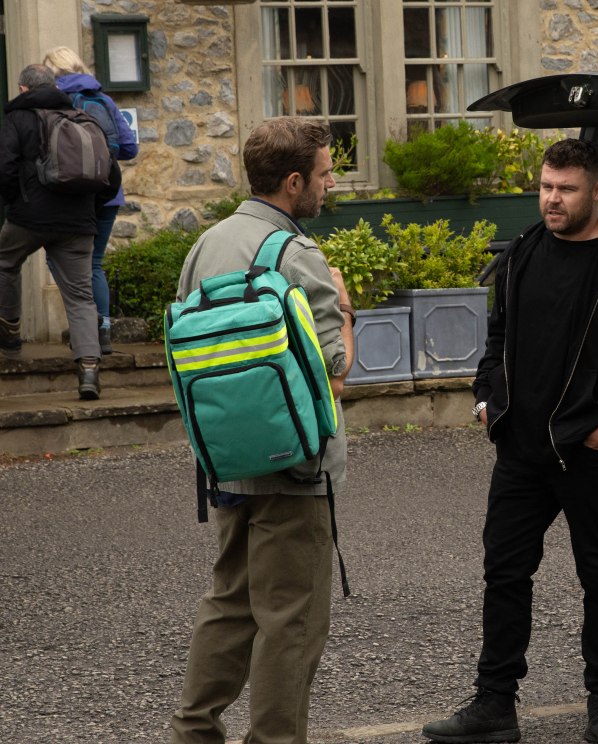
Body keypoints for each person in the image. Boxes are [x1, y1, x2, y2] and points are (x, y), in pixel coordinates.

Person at [422, 139, 598, 744]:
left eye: (566, 188)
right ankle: (495, 706)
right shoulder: (522, 253)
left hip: (588, 454)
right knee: (505, 574)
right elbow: (499, 337)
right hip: (521, 450)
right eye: (545, 186)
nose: (552, 199)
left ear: (596, 190)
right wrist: (489, 400)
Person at [169, 117, 355, 744]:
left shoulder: (206, 246)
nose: (330, 186)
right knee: (290, 622)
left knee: (229, 604)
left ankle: (192, 731)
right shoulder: (296, 254)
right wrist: (346, 312)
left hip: (226, 460)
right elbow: (333, 372)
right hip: (294, 467)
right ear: (294, 181)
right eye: (326, 175)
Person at [0, 64, 103, 399]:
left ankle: (10, 330)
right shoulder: (81, 117)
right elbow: (110, 176)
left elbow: (5, 166)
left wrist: (18, 201)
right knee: (80, 296)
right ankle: (88, 370)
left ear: (24, 89)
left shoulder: (18, 118)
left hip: (29, 218)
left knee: (4, 262)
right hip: (78, 223)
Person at [42, 45, 139, 355]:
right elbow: (129, 148)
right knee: (95, 263)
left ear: (52, 71)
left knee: (58, 258)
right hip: (108, 193)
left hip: (72, 196)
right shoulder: (104, 99)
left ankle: (85, 326)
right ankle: (104, 330)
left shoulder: (55, 100)